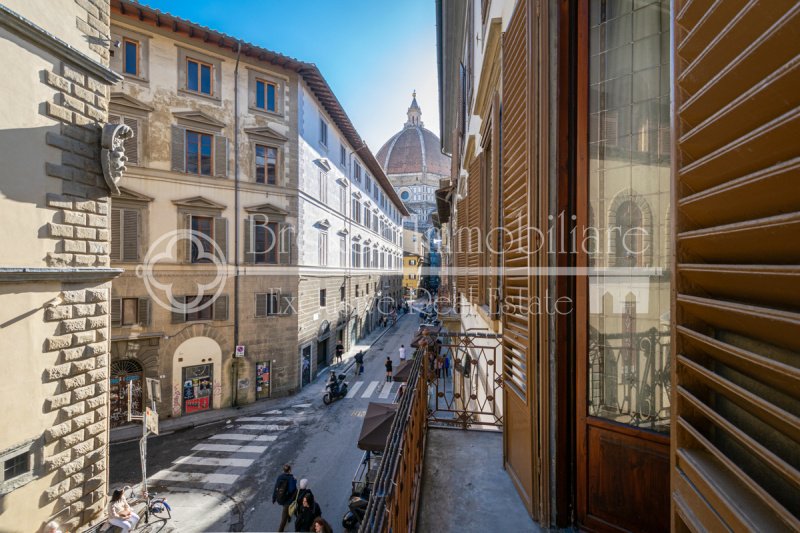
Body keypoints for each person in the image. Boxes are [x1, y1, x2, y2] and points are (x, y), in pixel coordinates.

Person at [273, 464, 298, 532]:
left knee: (287, 509)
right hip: (288, 500)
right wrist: (295, 480)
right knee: (284, 518)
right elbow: (291, 490)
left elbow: (276, 487)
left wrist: (274, 498)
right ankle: (280, 531)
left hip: (281, 499)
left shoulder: (280, 477)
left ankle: (289, 516)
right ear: (289, 470)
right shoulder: (291, 478)